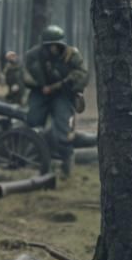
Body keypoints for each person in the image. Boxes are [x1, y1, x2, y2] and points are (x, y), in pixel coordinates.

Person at [23, 24, 89, 176]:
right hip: (41, 93)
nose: (52, 49)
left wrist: (61, 85)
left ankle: (67, 166)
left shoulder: (71, 55)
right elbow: (26, 75)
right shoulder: (34, 55)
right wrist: (40, 85)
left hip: (62, 94)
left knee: (63, 130)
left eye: (55, 45)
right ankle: (34, 160)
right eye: (49, 45)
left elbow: (81, 75)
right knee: (32, 122)